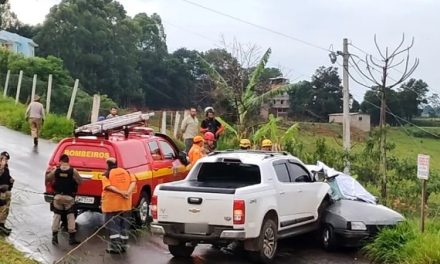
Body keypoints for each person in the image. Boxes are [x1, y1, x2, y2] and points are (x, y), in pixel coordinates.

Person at [101, 157, 136, 254]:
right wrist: (127, 193)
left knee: (113, 226)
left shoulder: (106, 175)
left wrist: (121, 192)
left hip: (112, 205)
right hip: (126, 205)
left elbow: (108, 187)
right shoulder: (127, 172)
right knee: (124, 225)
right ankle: (124, 245)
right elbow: (133, 182)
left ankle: (115, 247)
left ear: (107, 165)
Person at [45, 154, 82, 245]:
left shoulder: (56, 170)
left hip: (57, 197)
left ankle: (54, 237)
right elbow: (80, 182)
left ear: (61, 161)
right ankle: (71, 238)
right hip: (69, 198)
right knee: (70, 215)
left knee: (57, 215)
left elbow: (48, 178)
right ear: (68, 161)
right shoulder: (73, 171)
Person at [0, 151, 14, 236]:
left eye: (7, 159)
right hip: (0, 193)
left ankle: (2, 225)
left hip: (6, 193)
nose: (5, 161)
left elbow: (7, 177)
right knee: (1, 208)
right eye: (4, 159)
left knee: (5, 209)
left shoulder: (6, 168)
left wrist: (11, 180)